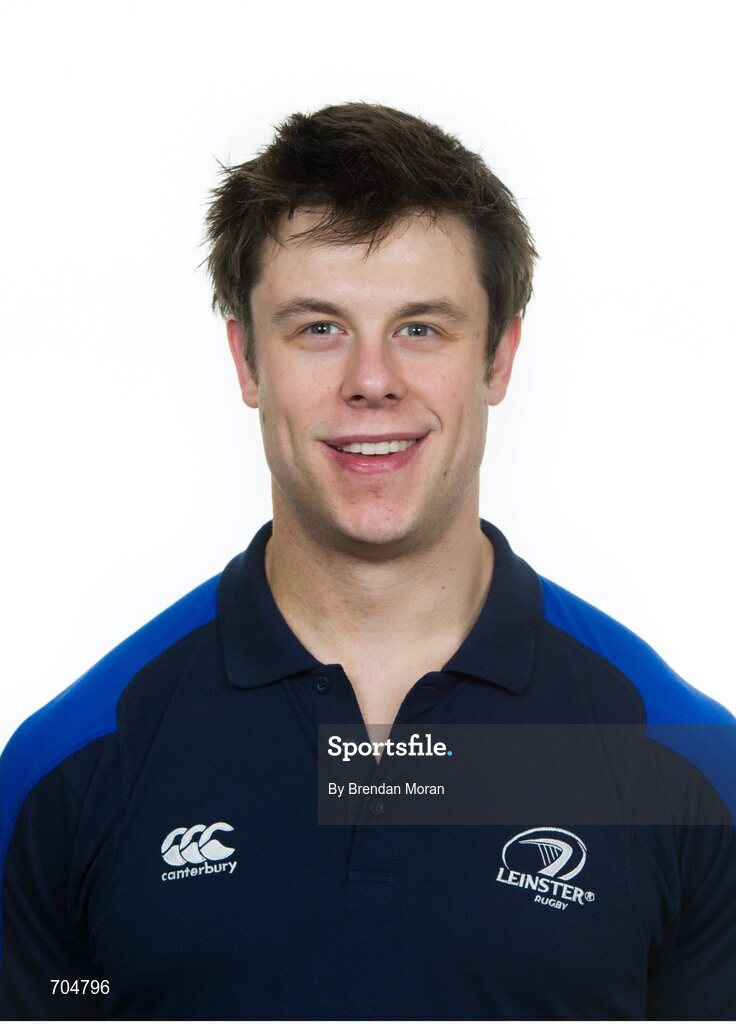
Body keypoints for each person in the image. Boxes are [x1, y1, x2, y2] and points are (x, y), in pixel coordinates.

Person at [1, 101, 734, 1021]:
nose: (372, 378)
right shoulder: (68, 769)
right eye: (318, 328)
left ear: (499, 359)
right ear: (246, 361)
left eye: (422, 328)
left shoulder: (688, 769)